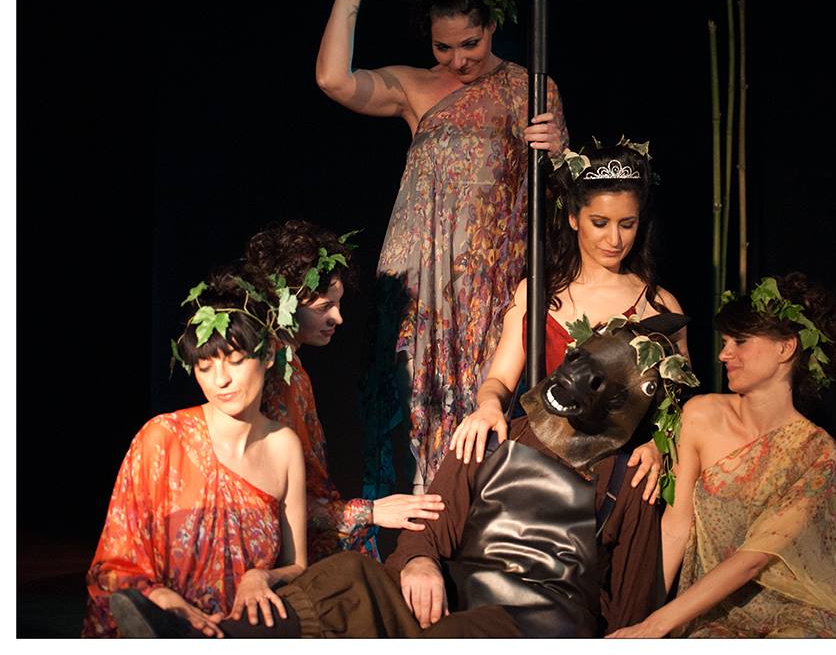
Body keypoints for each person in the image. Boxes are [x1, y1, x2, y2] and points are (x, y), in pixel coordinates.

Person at [107, 312, 695, 638]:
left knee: (463, 634)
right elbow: (430, 524)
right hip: (454, 605)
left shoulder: (629, 480)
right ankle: (215, 641)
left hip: (527, 629)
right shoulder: (495, 434)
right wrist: (417, 562)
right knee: (350, 575)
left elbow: (631, 606)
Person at [315, 0, 569, 495]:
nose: (458, 60)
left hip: (489, 283)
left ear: (492, 25)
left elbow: (560, 200)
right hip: (421, 278)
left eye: (470, 44)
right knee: (419, 402)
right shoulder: (416, 86)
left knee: (484, 408)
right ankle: (423, 523)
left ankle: (468, 522)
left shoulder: (531, 88)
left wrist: (559, 150)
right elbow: (332, 79)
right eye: (443, 47)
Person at [607, 273, 836, 638]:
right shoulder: (701, 415)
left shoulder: (815, 451)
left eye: (739, 342)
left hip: (798, 616)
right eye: (725, 342)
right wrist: (638, 618)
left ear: (785, 348)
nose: (724, 354)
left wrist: (656, 624)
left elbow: (753, 559)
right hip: (716, 615)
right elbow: (676, 528)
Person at [449, 141, 690, 503]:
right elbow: (499, 380)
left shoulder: (658, 304)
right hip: (544, 456)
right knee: (465, 462)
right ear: (574, 218)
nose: (614, 239)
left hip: (621, 470)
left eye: (627, 224)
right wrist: (488, 407)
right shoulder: (537, 293)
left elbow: (682, 406)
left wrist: (659, 445)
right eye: (600, 223)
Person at [82, 273, 308, 637]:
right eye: (205, 367)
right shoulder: (163, 438)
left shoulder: (285, 446)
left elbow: (297, 565)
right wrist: (162, 598)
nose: (220, 380)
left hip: (243, 632)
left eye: (235, 360)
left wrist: (260, 576)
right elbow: (113, 565)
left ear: (267, 354)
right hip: (165, 626)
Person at [242, 220, 444, 562]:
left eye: (338, 304)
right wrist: (371, 512)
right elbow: (270, 498)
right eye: (324, 307)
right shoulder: (272, 373)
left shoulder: (291, 366)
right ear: (284, 302)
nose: (338, 317)